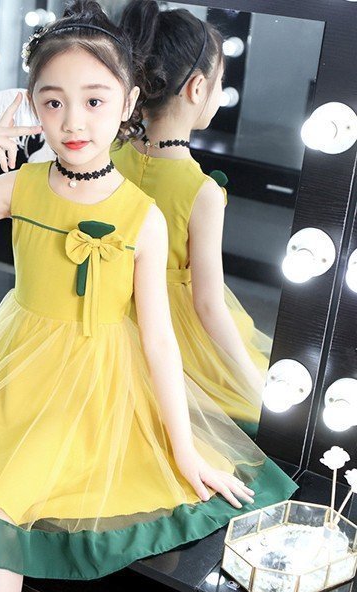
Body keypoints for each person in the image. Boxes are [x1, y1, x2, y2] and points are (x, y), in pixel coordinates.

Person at [0, 3, 297, 592]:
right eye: (53, 102)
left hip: (93, 381)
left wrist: (185, 450)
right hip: (10, 366)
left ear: (129, 103)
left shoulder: (142, 215)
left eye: (94, 100)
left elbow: (160, 340)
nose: (73, 121)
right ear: (35, 106)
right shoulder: (23, 184)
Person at [112, 0, 271, 437]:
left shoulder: (107, 156)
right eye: (221, 83)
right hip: (172, 339)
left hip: (107, 321)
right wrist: (255, 387)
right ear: (198, 88)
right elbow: (208, 305)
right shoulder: (200, 193)